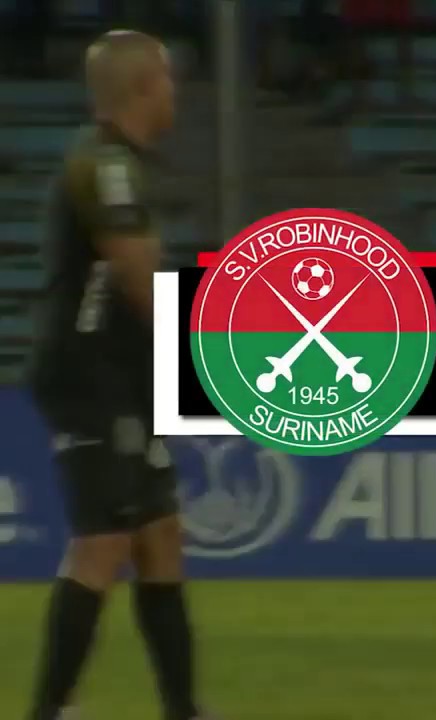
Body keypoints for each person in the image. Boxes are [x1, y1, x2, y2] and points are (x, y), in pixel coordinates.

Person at [24, 30, 211, 720]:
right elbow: (137, 276)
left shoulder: (125, 164)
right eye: (167, 81)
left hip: (125, 377)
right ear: (142, 88)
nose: (175, 94)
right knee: (102, 543)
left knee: (160, 535)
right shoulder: (104, 166)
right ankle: (48, 711)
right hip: (88, 375)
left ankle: (184, 710)